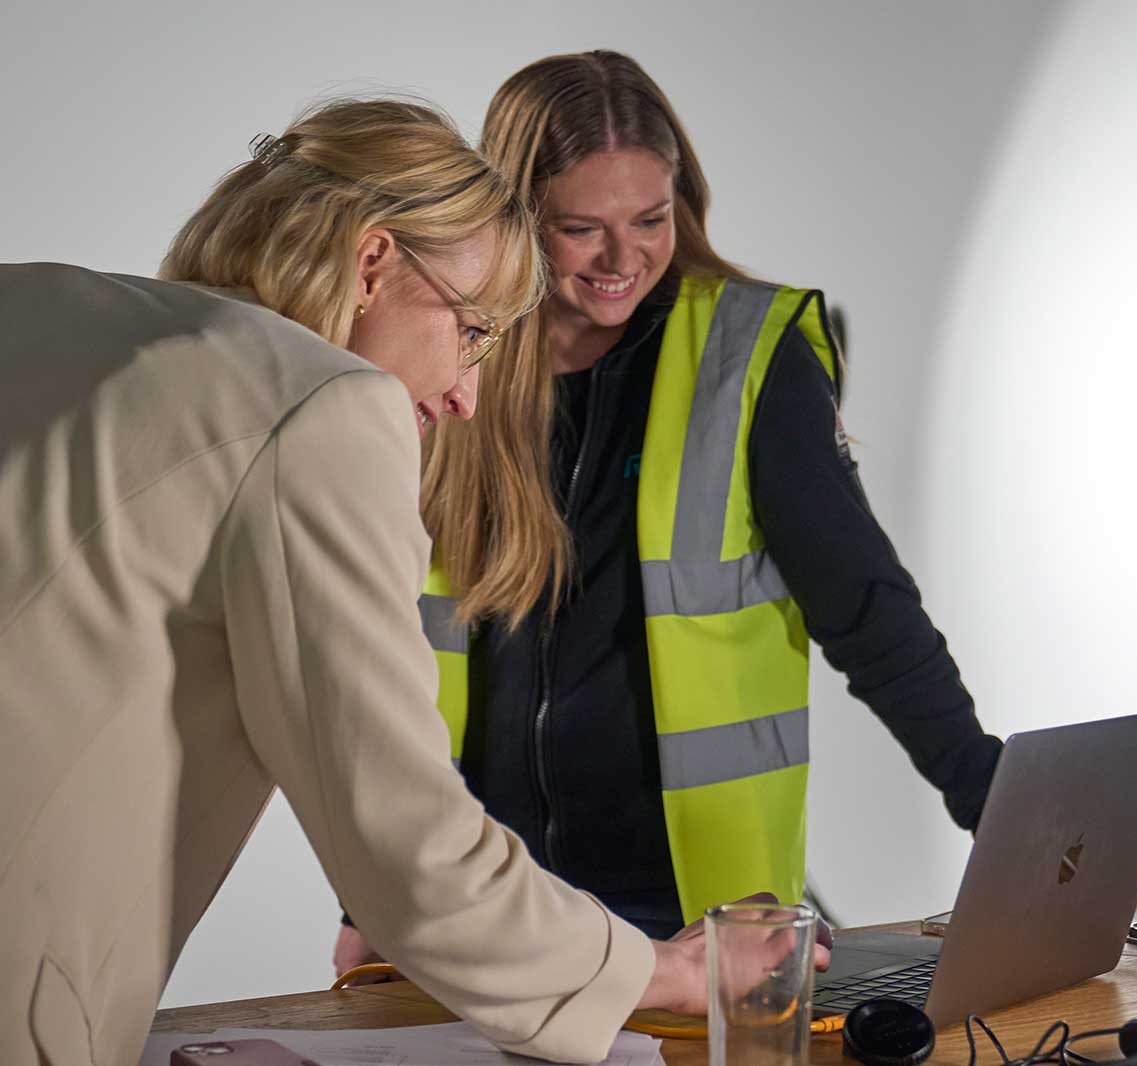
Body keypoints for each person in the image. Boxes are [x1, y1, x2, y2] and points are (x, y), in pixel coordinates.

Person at [335, 51, 1137, 976]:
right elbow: (380, 652)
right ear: (513, 220)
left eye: (651, 220)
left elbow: (865, 607)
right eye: (582, 228)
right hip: (480, 899)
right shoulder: (449, 366)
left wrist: (1006, 814)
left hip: (697, 914)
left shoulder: (746, 357)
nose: (624, 260)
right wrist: (364, 890)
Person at [0, 98, 741, 1066]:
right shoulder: (319, 407)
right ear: (372, 261)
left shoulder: (35, 300)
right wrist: (665, 973)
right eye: (473, 328)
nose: (468, 393)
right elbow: (409, 850)